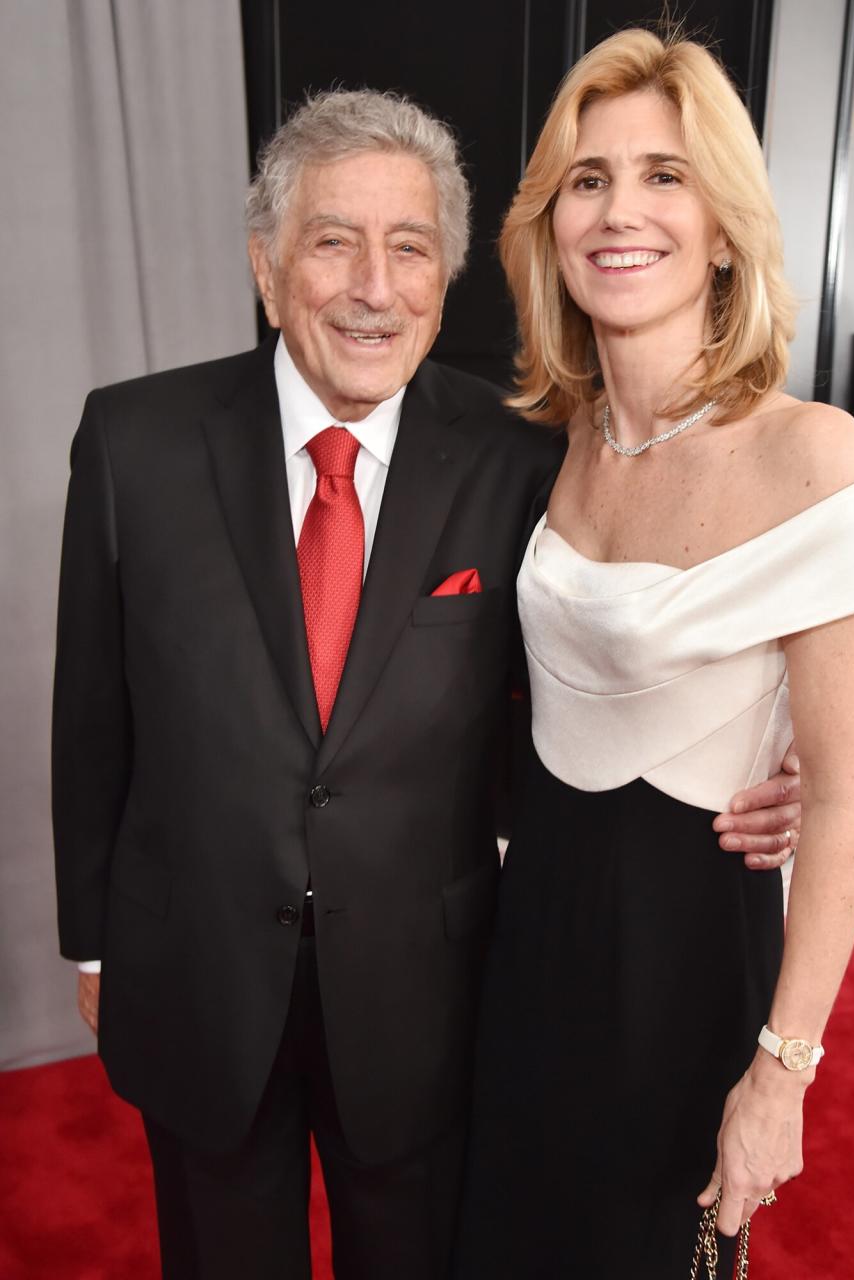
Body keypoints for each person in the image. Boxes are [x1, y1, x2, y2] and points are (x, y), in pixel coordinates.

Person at [52, 89, 798, 1280]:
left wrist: (780, 752)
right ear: (266, 262)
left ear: (447, 277)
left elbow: (598, 668)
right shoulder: (133, 440)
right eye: (333, 240)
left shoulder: (517, 458)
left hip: (427, 996)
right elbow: (93, 717)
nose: (374, 285)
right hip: (195, 971)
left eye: (410, 248)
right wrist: (91, 946)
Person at [454, 29, 854, 1280]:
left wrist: (784, 1071)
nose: (621, 211)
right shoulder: (544, 446)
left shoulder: (812, 458)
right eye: (588, 178)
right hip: (529, 931)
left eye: (665, 175)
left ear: (725, 228)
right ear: (550, 224)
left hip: (685, 952)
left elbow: (853, 792)